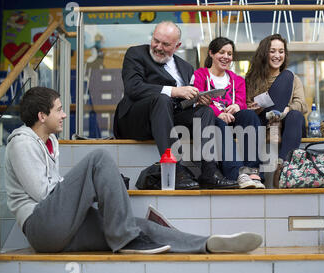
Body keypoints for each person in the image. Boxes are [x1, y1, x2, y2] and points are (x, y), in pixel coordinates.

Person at [4, 86, 263, 255]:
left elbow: (55, 189)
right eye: (58, 110)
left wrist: (98, 190)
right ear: (41, 115)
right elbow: (42, 194)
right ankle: (125, 237)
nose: (63, 115)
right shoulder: (22, 141)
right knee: (98, 157)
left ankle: (207, 243)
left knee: (137, 226)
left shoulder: (51, 142)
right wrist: (89, 190)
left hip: (61, 228)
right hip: (41, 227)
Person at [113, 21, 238, 189]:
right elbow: (133, 88)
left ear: (177, 45)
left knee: (205, 112)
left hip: (168, 120)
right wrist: (175, 91)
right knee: (162, 99)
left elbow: (181, 104)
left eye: (165, 44)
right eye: (156, 40)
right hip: (135, 120)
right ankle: (175, 168)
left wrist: (196, 100)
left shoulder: (186, 67)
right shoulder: (136, 54)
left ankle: (209, 171)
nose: (158, 47)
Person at [193, 37, 264, 189]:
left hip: (232, 118)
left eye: (230, 54)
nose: (226, 57)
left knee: (250, 116)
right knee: (217, 122)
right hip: (211, 120)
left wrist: (237, 106)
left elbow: (242, 101)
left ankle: (252, 171)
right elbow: (197, 101)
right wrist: (218, 113)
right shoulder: (200, 75)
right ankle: (236, 174)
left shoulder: (237, 79)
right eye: (221, 52)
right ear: (211, 53)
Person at [245, 34, 308, 188]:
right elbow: (245, 107)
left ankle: (282, 167)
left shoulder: (292, 78)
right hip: (263, 123)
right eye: (272, 51)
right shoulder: (251, 79)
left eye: (281, 51)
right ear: (264, 53)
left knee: (296, 115)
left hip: (286, 125)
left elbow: (302, 105)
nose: (277, 55)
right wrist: (257, 108)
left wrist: (287, 109)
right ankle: (273, 126)